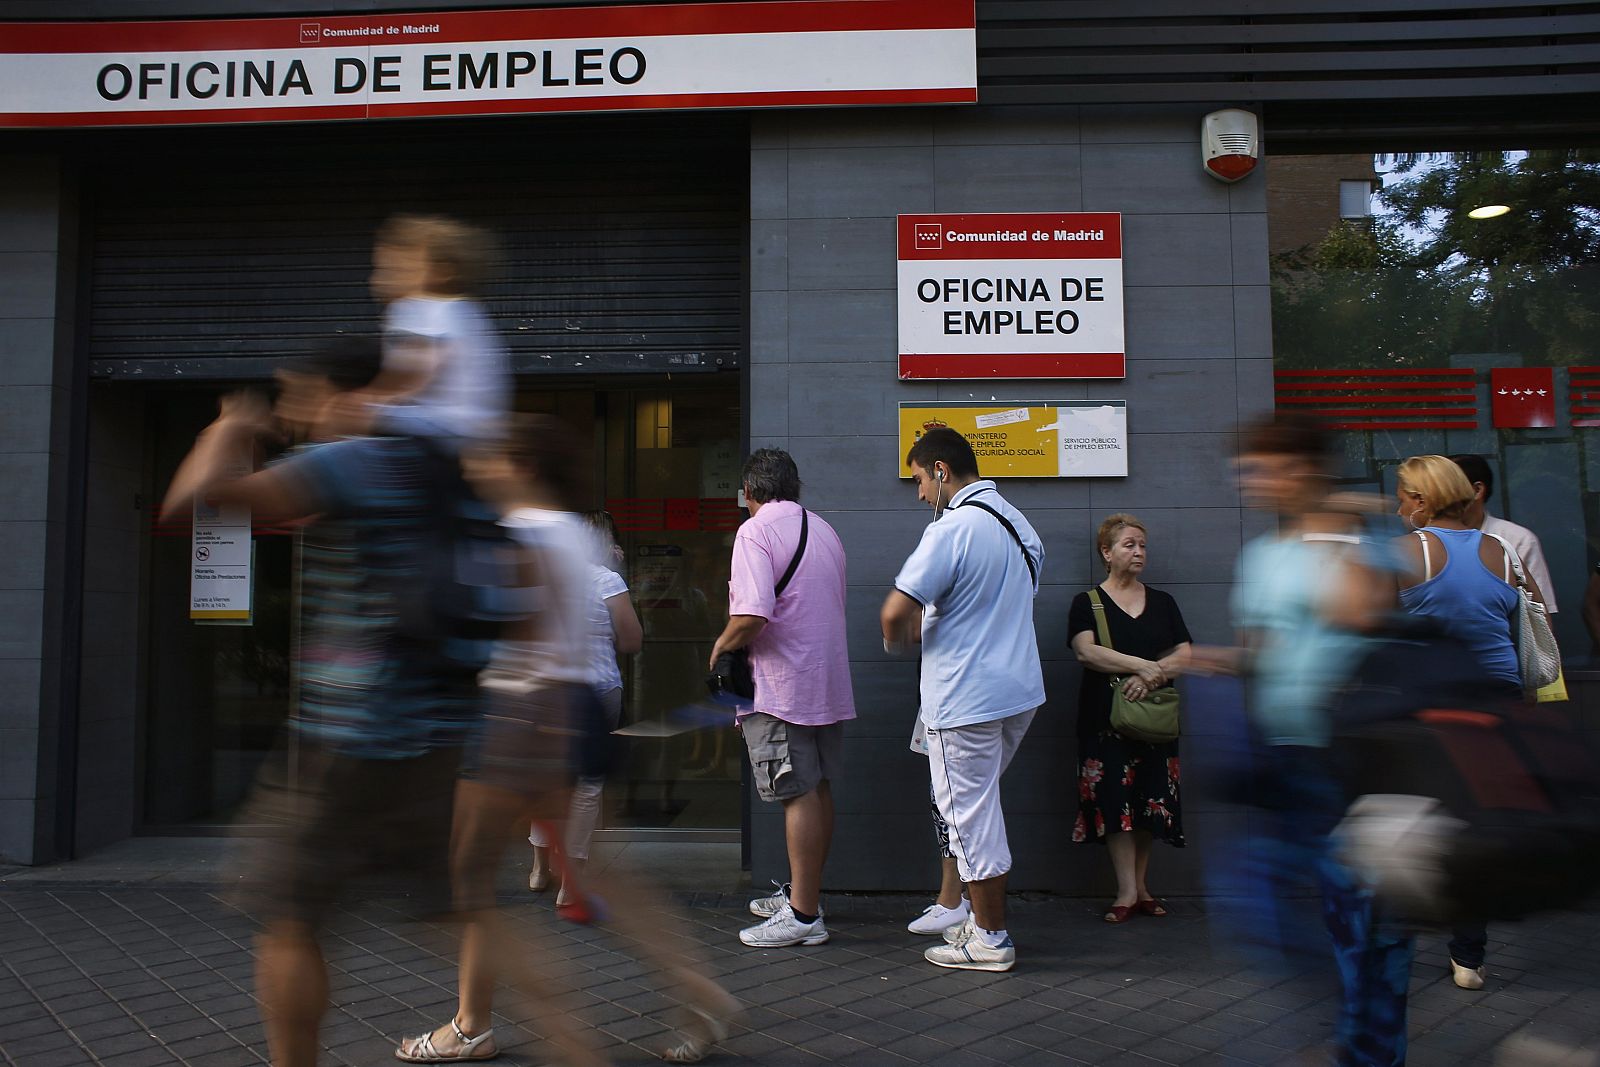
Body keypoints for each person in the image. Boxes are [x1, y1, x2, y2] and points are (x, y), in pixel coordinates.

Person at [159, 339, 510, 1067]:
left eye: (299, 397)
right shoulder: (442, 469)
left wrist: (227, 426)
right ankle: (568, 1036)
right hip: (440, 736)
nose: (292, 416)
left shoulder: (349, 462)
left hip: (345, 738)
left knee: (289, 919)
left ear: (340, 393)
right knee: (459, 909)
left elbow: (192, 504)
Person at [399, 418, 737, 1066]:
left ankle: (525, 1033)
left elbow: (495, 627)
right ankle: (698, 990)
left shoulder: (520, 532)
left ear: (524, 466)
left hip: (521, 713)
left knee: (463, 882)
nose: (481, 467)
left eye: (494, 458)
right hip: (570, 709)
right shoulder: (574, 536)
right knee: (588, 873)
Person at [1195, 413, 1410, 1067]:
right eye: (1244, 471)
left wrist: (1336, 525)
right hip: (1284, 752)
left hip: (1355, 756)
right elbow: (1259, 650)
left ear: (1305, 469)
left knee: (1362, 914)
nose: (1249, 482)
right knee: (1266, 909)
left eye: (1262, 469)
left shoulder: (1357, 539)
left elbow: (1362, 611)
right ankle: (1354, 1033)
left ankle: (1367, 1047)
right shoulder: (1263, 553)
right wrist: (1205, 660)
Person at [881, 427, 1044, 972]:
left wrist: (899, 637)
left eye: (920, 480)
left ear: (942, 470)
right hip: (1017, 692)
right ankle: (978, 922)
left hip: (964, 698)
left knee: (970, 820)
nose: (919, 494)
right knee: (980, 807)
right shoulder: (1018, 525)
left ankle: (991, 939)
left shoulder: (951, 528)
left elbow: (895, 611)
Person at [1393, 454, 1546, 993]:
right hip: (1497, 703)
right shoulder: (1504, 551)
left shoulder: (1409, 551)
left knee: (1409, 822)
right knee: (1471, 826)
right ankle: (1468, 956)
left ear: (1423, 500)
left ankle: (1396, 941)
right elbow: (1537, 622)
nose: (1399, 509)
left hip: (1428, 703)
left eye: (1403, 499)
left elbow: (1370, 629)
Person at [709, 448, 855, 948]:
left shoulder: (755, 531)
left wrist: (720, 647)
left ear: (749, 491)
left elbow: (753, 613)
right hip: (825, 680)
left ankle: (804, 916)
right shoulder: (824, 530)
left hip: (781, 686)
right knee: (818, 789)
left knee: (797, 792)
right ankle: (804, 893)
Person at [1068, 514, 1191, 923]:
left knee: (1149, 801)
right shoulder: (1088, 603)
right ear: (1106, 552)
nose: (1139, 552)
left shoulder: (1163, 602)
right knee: (1115, 804)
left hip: (1153, 720)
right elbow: (1086, 651)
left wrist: (1150, 679)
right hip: (1104, 720)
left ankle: (1141, 888)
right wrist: (1142, 666)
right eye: (1129, 545)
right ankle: (1125, 891)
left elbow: (1184, 653)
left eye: (1142, 545)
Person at [528, 510, 643, 906]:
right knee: (587, 786)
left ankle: (539, 867)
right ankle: (570, 880)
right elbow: (632, 640)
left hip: (550, 689)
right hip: (598, 689)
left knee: (547, 779)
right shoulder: (607, 580)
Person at [359, 213, 510, 445]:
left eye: (396, 269)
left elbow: (422, 366)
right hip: (480, 428)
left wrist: (372, 399)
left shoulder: (417, 306)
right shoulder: (465, 309)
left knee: (349, 420)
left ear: (441, 272)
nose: (377, 280)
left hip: (444, 425)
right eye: (380, 269)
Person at [1450, 454, 1557, 616]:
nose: (1437, 494)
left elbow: (1539, 612)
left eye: (1447, 486)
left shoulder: (1518, 539)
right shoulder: (1425, 542)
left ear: (1477, 490)